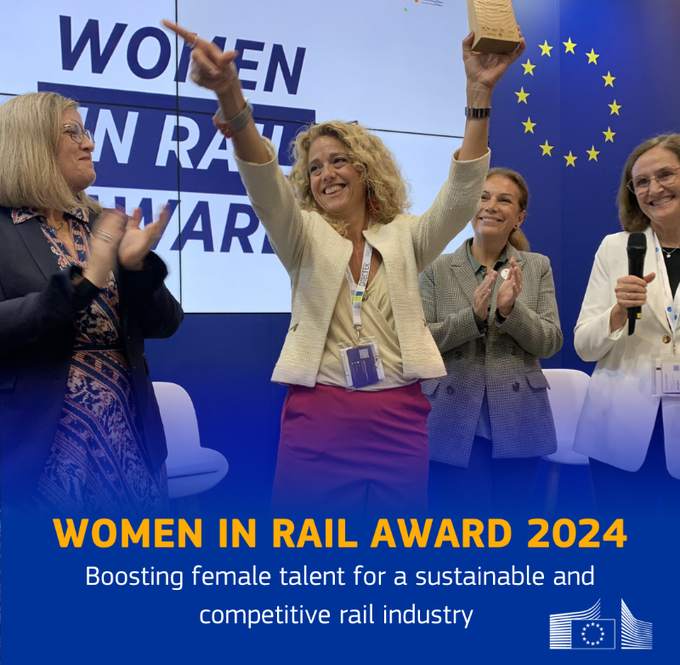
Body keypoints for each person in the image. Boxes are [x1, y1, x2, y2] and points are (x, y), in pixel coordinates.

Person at [163, 19, 523, 512]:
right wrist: (230, 95)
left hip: (399, 417)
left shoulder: (405, 235)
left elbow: (462, 197)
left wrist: (479, 93)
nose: (325, 174)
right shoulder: (301, 233)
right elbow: (263, 180)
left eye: (337, 161)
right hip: (320, 417)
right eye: (314, 167)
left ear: (365, 169)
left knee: (395, 547)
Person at [0, 92, 183, 512]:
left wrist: (136, 269)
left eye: (85, 131)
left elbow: (167, 323)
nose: (88, 143)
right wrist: (82, 285)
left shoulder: (102, 224)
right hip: (41, 447)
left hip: (129, 434)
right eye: (73, 132)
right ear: (31, 144)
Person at [420, 168, 562, 512]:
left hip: (519, 420)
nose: (491, 206)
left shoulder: (537, 266)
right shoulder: (436, 268)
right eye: (482, 197)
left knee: (512, 530)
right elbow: (421, 342)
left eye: (504, 200)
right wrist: (472, 319)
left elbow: (550, 341)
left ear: (519, 217)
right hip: (452, 419)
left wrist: (511, 312)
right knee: (458, 533)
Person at [574, 133, 680, 513]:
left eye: (665, 174)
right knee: (624, 541)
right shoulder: (615, 247)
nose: (655, 189)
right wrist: (618, 312)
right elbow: (584, 346)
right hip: (619, 426)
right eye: (642, 182)